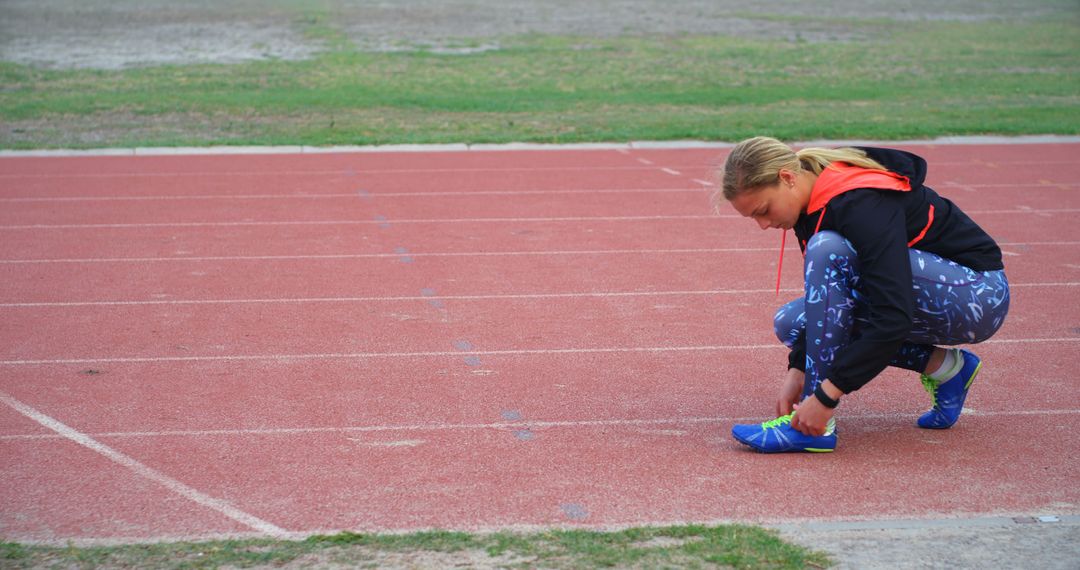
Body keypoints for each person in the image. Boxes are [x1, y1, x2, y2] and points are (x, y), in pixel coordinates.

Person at [717, 137, 1010, 453]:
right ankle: (946, 368)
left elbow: (893, 316)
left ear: (787, 178)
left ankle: (815, 431)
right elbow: (828, 305)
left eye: (763, 210)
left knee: (827, 250)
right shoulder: (809, 206)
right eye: (753, 218)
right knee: (793, 323)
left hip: (977, 297)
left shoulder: (859, 202)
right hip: (927, 296)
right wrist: (798, 369)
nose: (763, 225)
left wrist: (825, 395)